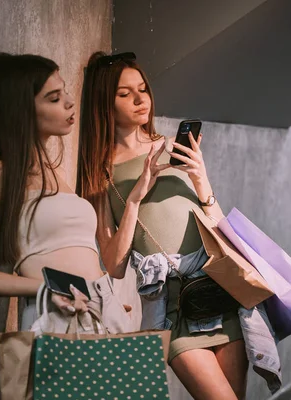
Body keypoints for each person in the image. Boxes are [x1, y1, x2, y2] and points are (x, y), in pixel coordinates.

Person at [77, 51, 250, 400]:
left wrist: (202, 180)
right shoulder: (101, 172)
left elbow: (218, 230)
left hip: (217, 290)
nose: (141, 99)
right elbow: (113, 264)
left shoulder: (171, 147)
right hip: (171, 306)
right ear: (103, 103)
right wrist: (137, 196)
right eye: (125, 93)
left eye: (143, 89)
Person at [0, 52, 131, 334]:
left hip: (105, 311)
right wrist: (49, 288)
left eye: (64, 91)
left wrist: (106, 298)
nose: (69, 102)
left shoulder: (56, 172)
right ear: (22, 110)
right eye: (53, 98)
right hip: (59, 318)